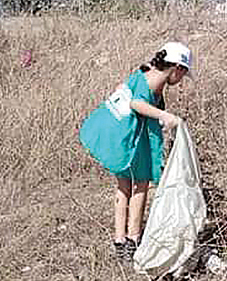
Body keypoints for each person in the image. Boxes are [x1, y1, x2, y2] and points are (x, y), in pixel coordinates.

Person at [79, 42, 192, 261]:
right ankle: (133, 238)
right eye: (183, 74)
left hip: (120, 135)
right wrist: (166, 116)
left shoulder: (146, 71)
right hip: (124, 138)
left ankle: (119, 240)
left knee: (124, 185)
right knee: (142, 183)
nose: (181, 81)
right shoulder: (151, 82)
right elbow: (136, 103)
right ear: (177, 68)